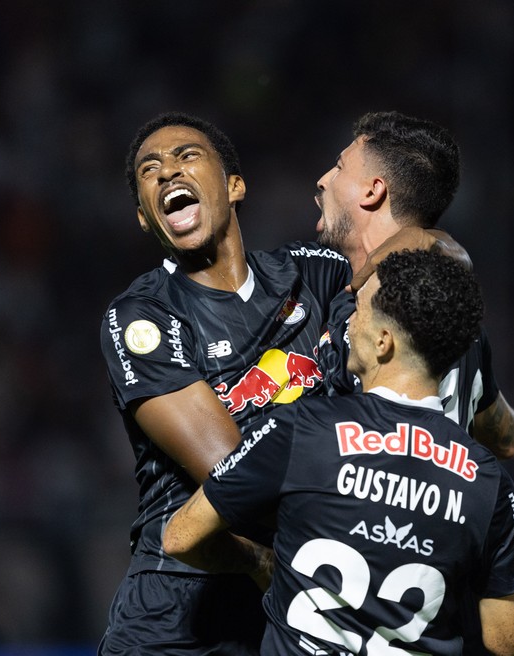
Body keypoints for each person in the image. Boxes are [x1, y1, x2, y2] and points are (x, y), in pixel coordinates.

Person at [163, 250, 514, 655]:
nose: (349, 321)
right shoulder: (487, 481)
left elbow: (180, 536)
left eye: (358, 309)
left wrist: (260, 562)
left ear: (383, 341)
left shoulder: (301, 427)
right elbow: (507, 638)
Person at [98, 112, 351, 655]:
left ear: (235, 186)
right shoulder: (143, 316)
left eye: (187, 156)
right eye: (150, 170)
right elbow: (231, 471)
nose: (167, 172)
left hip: (293, 595)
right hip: (181, 606)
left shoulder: (316, 275)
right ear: (145, 218)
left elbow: (422, 276)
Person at [313, 111, 514, 460]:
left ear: (373, 190)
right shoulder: (458, 323)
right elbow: (508, 438)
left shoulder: (372, 310)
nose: (322, 180)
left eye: (338, 167)